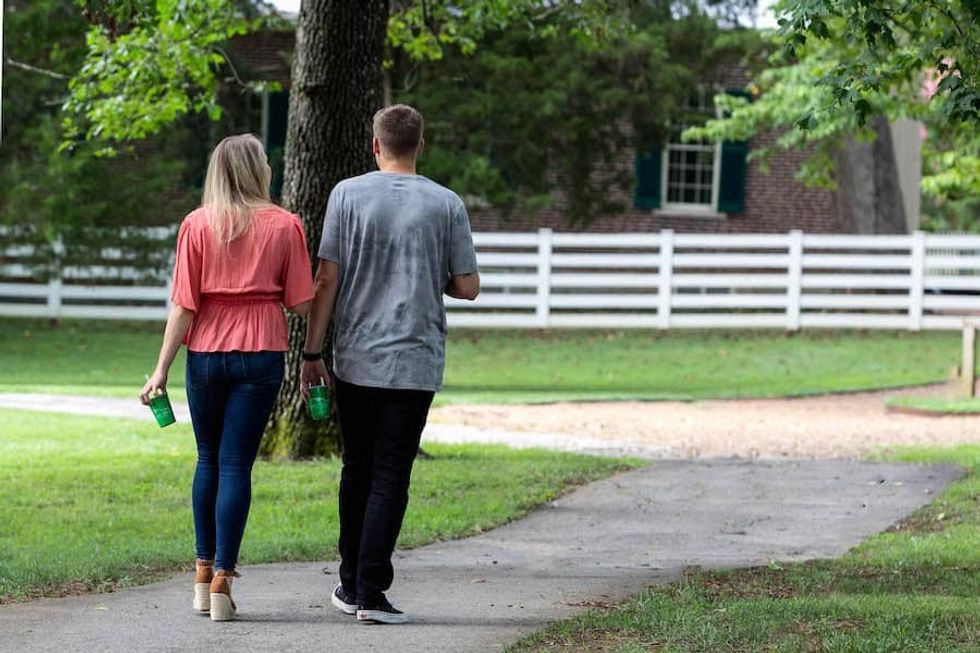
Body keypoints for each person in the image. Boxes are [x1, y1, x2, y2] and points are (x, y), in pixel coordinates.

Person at [300, 104, 480, 624]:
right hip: (414, 361)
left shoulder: (346, 195)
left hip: (355, 357)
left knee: (356, 470)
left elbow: (326, 279)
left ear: (375, 145)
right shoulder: (446, 204)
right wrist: (435, 277)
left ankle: (350, 583)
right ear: (420, 145)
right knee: (390, 475)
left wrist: (313, 353)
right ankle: (372, 593)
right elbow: (467, 286)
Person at [140, 134, 314, 622]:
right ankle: (223, 579)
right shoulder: (285, 225)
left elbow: (184, 305)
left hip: (206, 354)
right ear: (257, 170)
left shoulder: (196, 224)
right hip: (261, 352)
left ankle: (200, 576)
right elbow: (300, 304)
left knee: (208, 459)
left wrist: (160, 371)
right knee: (237, 464)